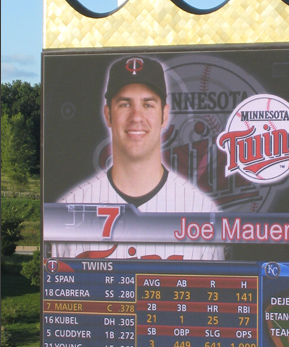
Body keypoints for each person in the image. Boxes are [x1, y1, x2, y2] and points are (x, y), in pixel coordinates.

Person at [51, 56, 224, 261]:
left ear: (164, 115)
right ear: (108, 114)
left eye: (148, 105)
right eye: (125, 104)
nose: (136, 117)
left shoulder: (202, 212)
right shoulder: (68, 210)